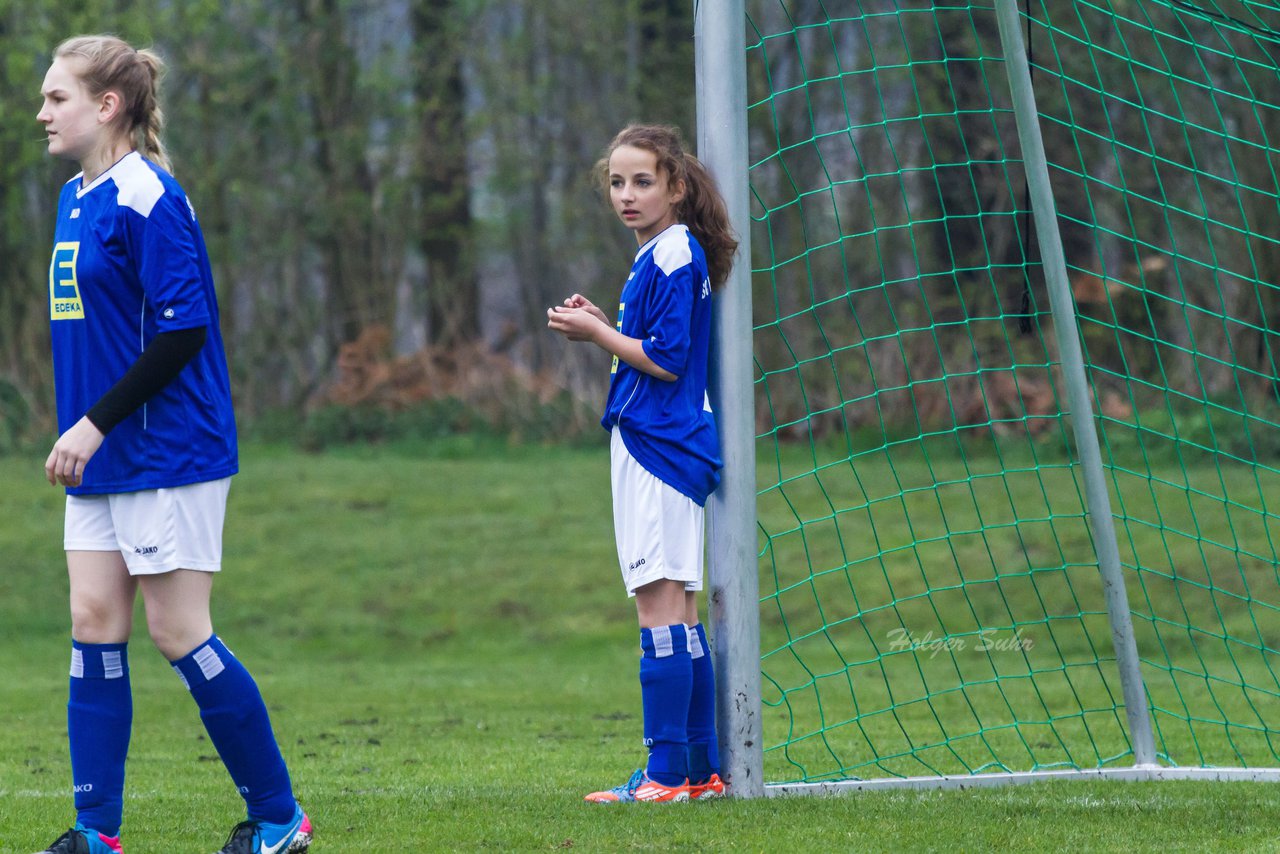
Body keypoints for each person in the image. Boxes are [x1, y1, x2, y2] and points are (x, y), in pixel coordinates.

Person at [35, 34, 311, 854]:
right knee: (93, 622)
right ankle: (96, 834)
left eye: (57, 98)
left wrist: (93, 422)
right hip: (105, 452)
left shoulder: (148, 195)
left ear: (107, 105)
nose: (41, 112)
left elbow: (182, 331)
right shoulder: (76, 198)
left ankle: (278, 819)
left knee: (178, 631)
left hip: (164, 449)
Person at [547, 124, 738, 803]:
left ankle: (664, 776)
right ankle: (698, 770)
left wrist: (598, 334)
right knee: (679, 610)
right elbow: (656, 349)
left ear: (676, 187)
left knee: (658, 605)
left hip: (656, 446)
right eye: (617, 183)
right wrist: (608, 324)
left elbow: (667, 360)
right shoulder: (666, 252)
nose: (627, 195)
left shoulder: (672, 254)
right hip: (670, 444)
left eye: (643, 182)